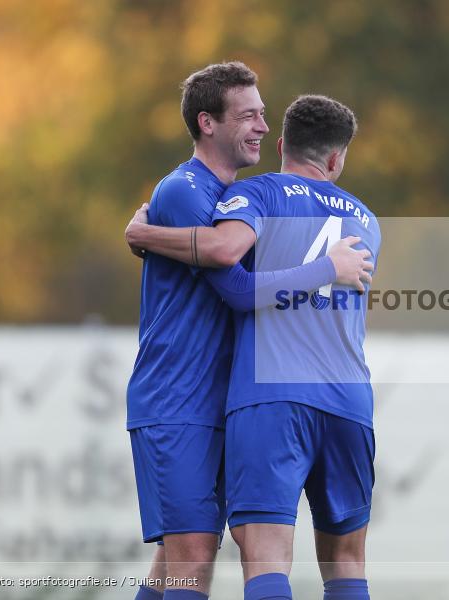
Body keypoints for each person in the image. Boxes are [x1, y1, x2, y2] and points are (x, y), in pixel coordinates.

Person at [126, 65, 371, 600]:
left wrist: (145, 234)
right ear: (207, 122)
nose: (261, 125)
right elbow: (230, 272)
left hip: (230, 397)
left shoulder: (246, 195)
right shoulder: (188, 189)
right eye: (248, 115)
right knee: (191, 554)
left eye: (264, 114)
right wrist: (142, 231)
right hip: (180, 397)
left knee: (178, 557)